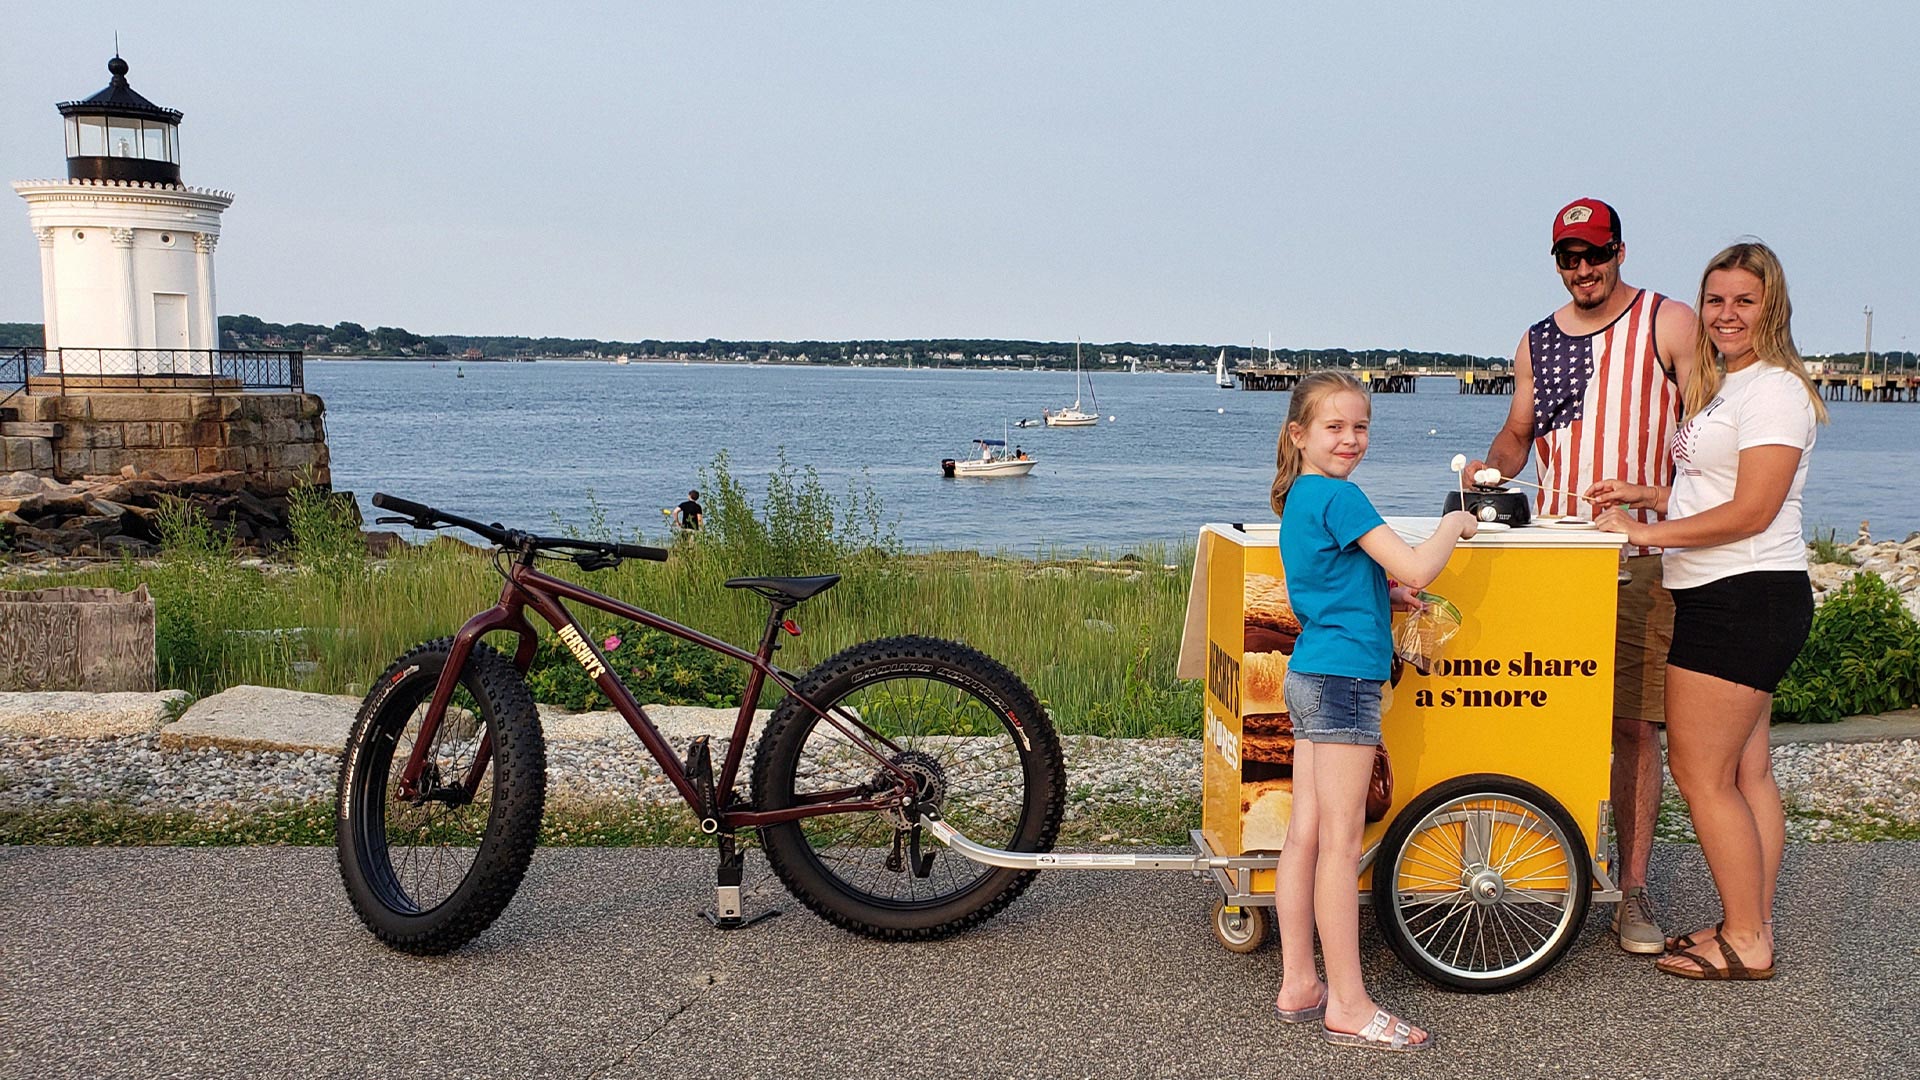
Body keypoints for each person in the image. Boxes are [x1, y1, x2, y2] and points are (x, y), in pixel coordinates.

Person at [1465, 198, 1698, 954]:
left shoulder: (1669, 323)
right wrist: (1492, 471)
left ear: (1620, 251)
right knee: (1540, 707)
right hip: (1556, 561)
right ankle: (1548, 865)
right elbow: (1519, 431)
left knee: (1634, 725)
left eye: (1594, 254)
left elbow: (1713, 439)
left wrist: (1662, 502)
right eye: (1569, 257)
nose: (1583, 269)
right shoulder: (1538, 339)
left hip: (1642, 561)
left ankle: (1631, 892)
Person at [1589, 241, 1820, 980]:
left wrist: (1644, 535)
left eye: (1743, 301)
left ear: (1771, 306)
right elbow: (1722, 489)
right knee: (1749, 772)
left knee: (1701, 771)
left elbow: (1753, 510)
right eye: (1715, 300)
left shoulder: (1775, 391)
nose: (1726, 314)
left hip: (1741, 598)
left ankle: (1748, 942)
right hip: (1736, 593)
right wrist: (1647, 495)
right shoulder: (1735, 385)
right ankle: (1748, 919)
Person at [1270, 371, 1477, 1051]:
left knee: (1304, 835)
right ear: (1300, 434)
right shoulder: (1343, 496)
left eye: (1360, 427)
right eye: (1334, 427)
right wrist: (1455, 519)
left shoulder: (1302, 496)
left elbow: (1328, 582)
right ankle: (1350, 1005)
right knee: (1338, 846)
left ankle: (1301, 981)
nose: (1350, 439)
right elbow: (1418, 567)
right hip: (1344, 682)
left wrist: (1378, 596)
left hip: (1308, 675)